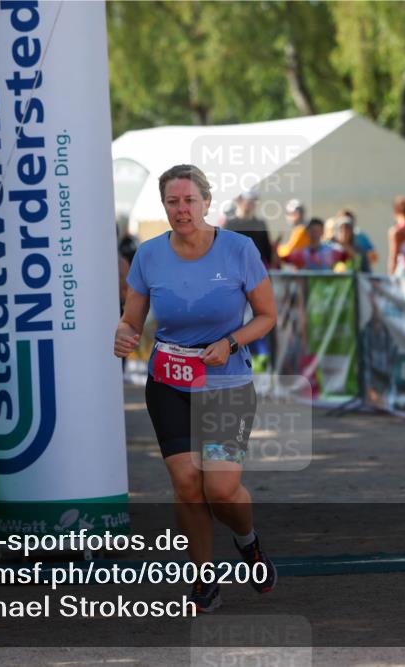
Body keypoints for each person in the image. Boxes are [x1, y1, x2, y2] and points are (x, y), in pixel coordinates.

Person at [113, 164, 278, 613]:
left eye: (189, 201)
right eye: (173, 202)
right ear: (164, 206)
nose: (182, 209)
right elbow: (131, 320)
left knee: (220, 490)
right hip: (170, 379)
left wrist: (231, 342)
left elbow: (267, 315)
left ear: (206, 202)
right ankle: (204, 580)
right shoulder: (149, 255)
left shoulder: (239, 249)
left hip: (225, 378)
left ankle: (247, 541)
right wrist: (124, 335)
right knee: (187, 482)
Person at [224, 189, 277, 268]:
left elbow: (267, 252)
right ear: (239, 201)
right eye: (249, 201)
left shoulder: (260, 225)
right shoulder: (230, 225)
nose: (251, 204)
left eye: (253, 201)